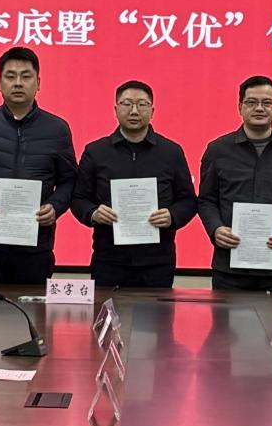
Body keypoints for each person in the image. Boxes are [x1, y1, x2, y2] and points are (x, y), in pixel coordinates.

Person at [0, 46, 77, 283]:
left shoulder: (57, 129)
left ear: (38, 82)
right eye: (10, 76)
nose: (18, 83)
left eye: (26, 76)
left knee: (33, 308)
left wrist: (55, 207)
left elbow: (69, 180)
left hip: (36, 249)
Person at [69, 80, 198, 287]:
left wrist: (172, 216)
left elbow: (188, 200)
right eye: (127, 104)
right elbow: (78, 199)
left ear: (152, 111)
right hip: (109, 259)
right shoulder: (96, 152)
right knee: (107, 309)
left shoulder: (171, 152)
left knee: (156, 309)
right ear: (115, 109)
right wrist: (93, 213)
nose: (134, 111)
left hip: (157, 261)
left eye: (142, 104)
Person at [198, 75, 272, 291]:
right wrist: (216, 228)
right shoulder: (217, 150)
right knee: (226, 316)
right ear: (240, 107)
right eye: (251, 102)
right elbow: (206, 200)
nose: (259, 108)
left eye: (267, 102)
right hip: (229, 268)